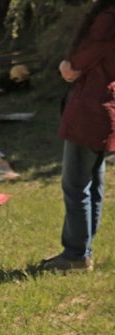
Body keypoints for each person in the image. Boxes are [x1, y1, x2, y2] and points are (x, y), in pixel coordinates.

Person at [39, 0, 115, 272]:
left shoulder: (107, 19)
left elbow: (73, 66)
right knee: (92, 184)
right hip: (104, 108)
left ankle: (75, 254)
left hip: (91, 110)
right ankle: (82, 250)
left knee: (75, 186)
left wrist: (66, 64)